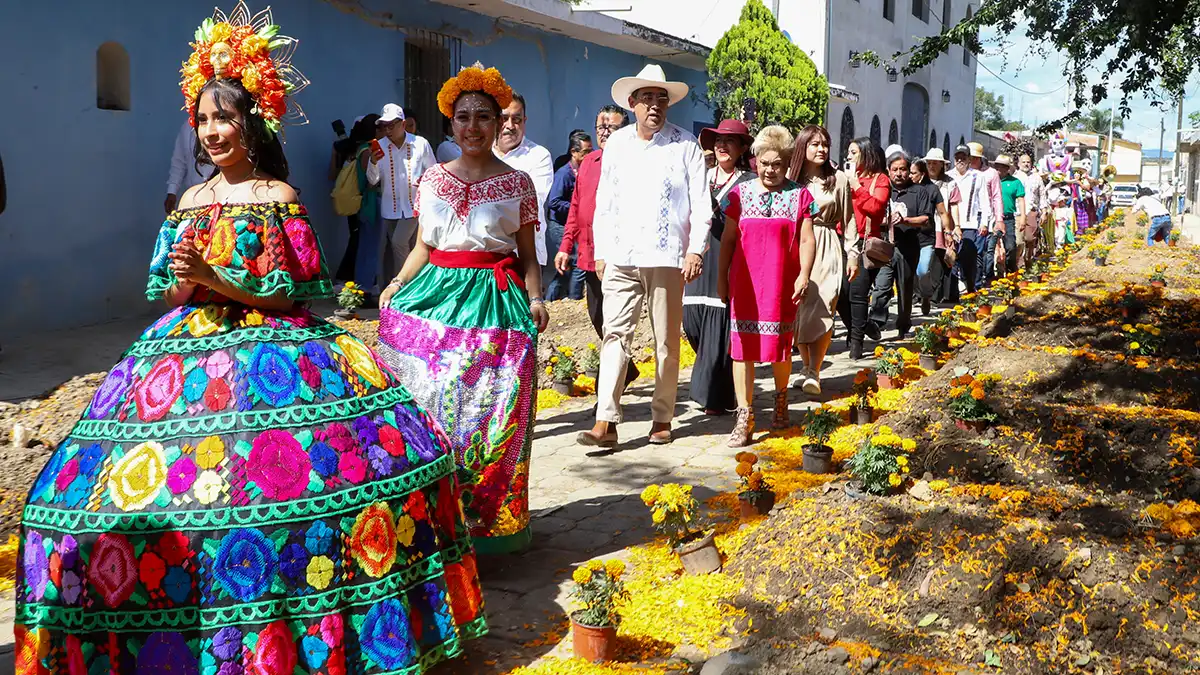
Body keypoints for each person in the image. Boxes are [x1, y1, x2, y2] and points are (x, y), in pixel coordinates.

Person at [16, 10, 488, 672]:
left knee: (318, 484)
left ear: (252, 121)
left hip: (277, 348)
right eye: (202, 119)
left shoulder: (279, 196)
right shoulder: (187, 202)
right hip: (184, 355)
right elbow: (175, 294)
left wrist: (215, 274)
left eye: (224, 118)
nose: (211, 132)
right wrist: (188, 280)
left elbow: (289, 295)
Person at [377, 63, 549, 554]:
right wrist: (396, 283)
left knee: (493, 414)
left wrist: (536, 300)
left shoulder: (518, 184)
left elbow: (528, 255)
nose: (472, 127)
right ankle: (429, 518)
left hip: (496, 303)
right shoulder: (430, 178)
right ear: (450, 124)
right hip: (434, 298)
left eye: (484, 117)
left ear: (500, 124)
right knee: (429, 408)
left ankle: (488, 526)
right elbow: (423, 246)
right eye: (463, 117)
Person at [576, 64, 708, 448]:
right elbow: (606, 203)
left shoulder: (685, 145)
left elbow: (701, 202)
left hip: (666, 256)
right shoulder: (616, 144)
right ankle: (606, 420)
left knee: (666, 341)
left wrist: (696, 247)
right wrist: (602, 251)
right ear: (632, 103)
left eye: (661, 98)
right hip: (621, 255)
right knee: (615, 334)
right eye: (647, 98)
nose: (654, 105)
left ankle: (662, 416)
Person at [718, 126, 816, 445]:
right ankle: (744, 416)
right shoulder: (739, 195)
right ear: (755, 161)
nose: (770, 169)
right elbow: (728, 240)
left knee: (779, 347)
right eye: (764, 162)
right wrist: (721, 278)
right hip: (744, 282)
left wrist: (804, 275)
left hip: (780, 284)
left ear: (787, 163)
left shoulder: (800, 196)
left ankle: (781, 399)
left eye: (777, 163)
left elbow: (806, 238)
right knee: (742, 348)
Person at [554, 105, 641, 387]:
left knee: (614, 323)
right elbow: (576, 206)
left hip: (618, 257)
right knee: (597, 316)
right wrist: (566, 245)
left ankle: (608, 389)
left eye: (611, 128)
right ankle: (626, 370)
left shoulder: (631, 161)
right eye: (600, 128)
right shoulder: (588, 162)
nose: (604, 133)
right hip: (590, 256)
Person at [687, 119, 755, 415]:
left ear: (741, 148)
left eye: (729, 141)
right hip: (697, 255)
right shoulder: (699, 176)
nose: (722, 146)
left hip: (729, 257)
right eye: (718, 140)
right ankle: (722, 385)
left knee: (718, 323)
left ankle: (711, 395)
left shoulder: (750, 181)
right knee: (692, 322)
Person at [786, 124, 857, 394]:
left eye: (825, 144)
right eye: (815, 144)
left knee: (823, 303)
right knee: (800, 310)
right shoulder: (791, 180)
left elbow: (849, 220)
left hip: (826, 243)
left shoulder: (838, 180)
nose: (821, 149)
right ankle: (805, 367)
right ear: (802, 146)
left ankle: (815, 370)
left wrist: (853, 254)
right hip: (796, 244)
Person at [367, 103, 437, 287]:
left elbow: (433, 173)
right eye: (384, 126)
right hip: (390, 208)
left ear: (403, 124)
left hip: (415, 206)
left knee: (399, 243)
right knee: (405, 248)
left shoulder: (420, 144)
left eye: (392, 125)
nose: (388, 130)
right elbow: (373, 180)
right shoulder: (380, 147)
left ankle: (403, 285)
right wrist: (373, 162)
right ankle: (416, 285)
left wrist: (423, 181)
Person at [878, 152, 944, 338]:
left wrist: (905, 220)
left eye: (903, 169)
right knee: (881, 286)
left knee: (905, 287)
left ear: (909, 171)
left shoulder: (920, 192)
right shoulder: (883, 190)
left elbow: (926, 218)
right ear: (888, 171)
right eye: (895, 170)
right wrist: (884, 220)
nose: (899, 173)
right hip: (886, 246)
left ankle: (903, 325)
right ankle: (876, 320)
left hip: (909, 246)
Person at [840, 137, 890, 358]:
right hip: (842, 240)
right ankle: (862, 326)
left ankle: (856, 345)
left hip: (864, 243)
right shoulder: (844, 178)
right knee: (840, 293)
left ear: (865, 154)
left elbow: (875, 209)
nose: (848, 156)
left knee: (857, 294)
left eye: (853, 152)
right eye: (848, 152)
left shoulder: (880, 180)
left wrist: (856, 186)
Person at [495, 94, 554, 266]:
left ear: (525, 120)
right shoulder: (481, 155)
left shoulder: (539, 156)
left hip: (524, 256)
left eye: (517, 119)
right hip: (486, 255)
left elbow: (531, 202)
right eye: (504, 118)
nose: (510, 126)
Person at [544, 131, 593, 300]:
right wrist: (576, 208)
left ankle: (552, 298)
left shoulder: (584, 170)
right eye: (585, 152)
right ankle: (574, 299)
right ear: (574, 152)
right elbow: (554, 202)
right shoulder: (564, 174)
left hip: (573, 225)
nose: (589, 156)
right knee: (576, 262)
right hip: (559, 225)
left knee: (566, 266)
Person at [948, 144, 989, 293]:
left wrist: (985, 222)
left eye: (963, 157)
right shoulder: (949, 175)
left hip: (970, 223)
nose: (960, 160)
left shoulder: (978, 176)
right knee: (952, 257)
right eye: (957, 157)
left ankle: (971, 286)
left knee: (968, 257)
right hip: (952, 224)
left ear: (969, 159)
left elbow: (984, 201)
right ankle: (952, 292)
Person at [925, 148, 962, 304]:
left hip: (942, 226)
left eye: (935, 163)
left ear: (942, 165)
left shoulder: (950, 183)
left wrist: (957, 226)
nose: (932, 166)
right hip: (924, 225)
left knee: (940, 260)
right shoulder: (921, 181)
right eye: (929, 163)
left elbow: (954, 206)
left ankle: (937, 294)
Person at [968, 143, 1004, 287]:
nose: (972, 161)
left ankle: (978, 281)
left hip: (985, 216)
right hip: (967, 216)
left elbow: (996, 197)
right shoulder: (963, 173)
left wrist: (999, 219)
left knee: (982, 250)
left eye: (975, 158)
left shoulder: (991, 173)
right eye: (969, 157)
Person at [165, 119, 209, 214]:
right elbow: (179, 161)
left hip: (219, 197)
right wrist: (172, 191)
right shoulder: (187, 127)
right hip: (194, 199)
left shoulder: (221, 128)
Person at [993, 154, 1025, 274]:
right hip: (993, 218)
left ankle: (1011, 270)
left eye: (1002, 167)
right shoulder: (990, 180)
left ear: (1007, 168)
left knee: (1011, 246)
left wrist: (1023, 217)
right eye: (997, 166)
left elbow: (1021, 200)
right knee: (992, 248)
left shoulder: (1015, 182)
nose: (998, 169)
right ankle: (996, 273)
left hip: (1008, 218)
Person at [1015, 153, 1045, 267]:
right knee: (1018, 242)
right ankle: (1017, 265)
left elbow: (1042, 195)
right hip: (1017, 213)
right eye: (1023, 162)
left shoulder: (1037, 177)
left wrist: (1044, 211)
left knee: (1030, 239)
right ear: (1018, 164)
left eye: (1028, 162)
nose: (1026, 164)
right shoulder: (1015, 177)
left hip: (1031, 211)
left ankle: (1028, 261)